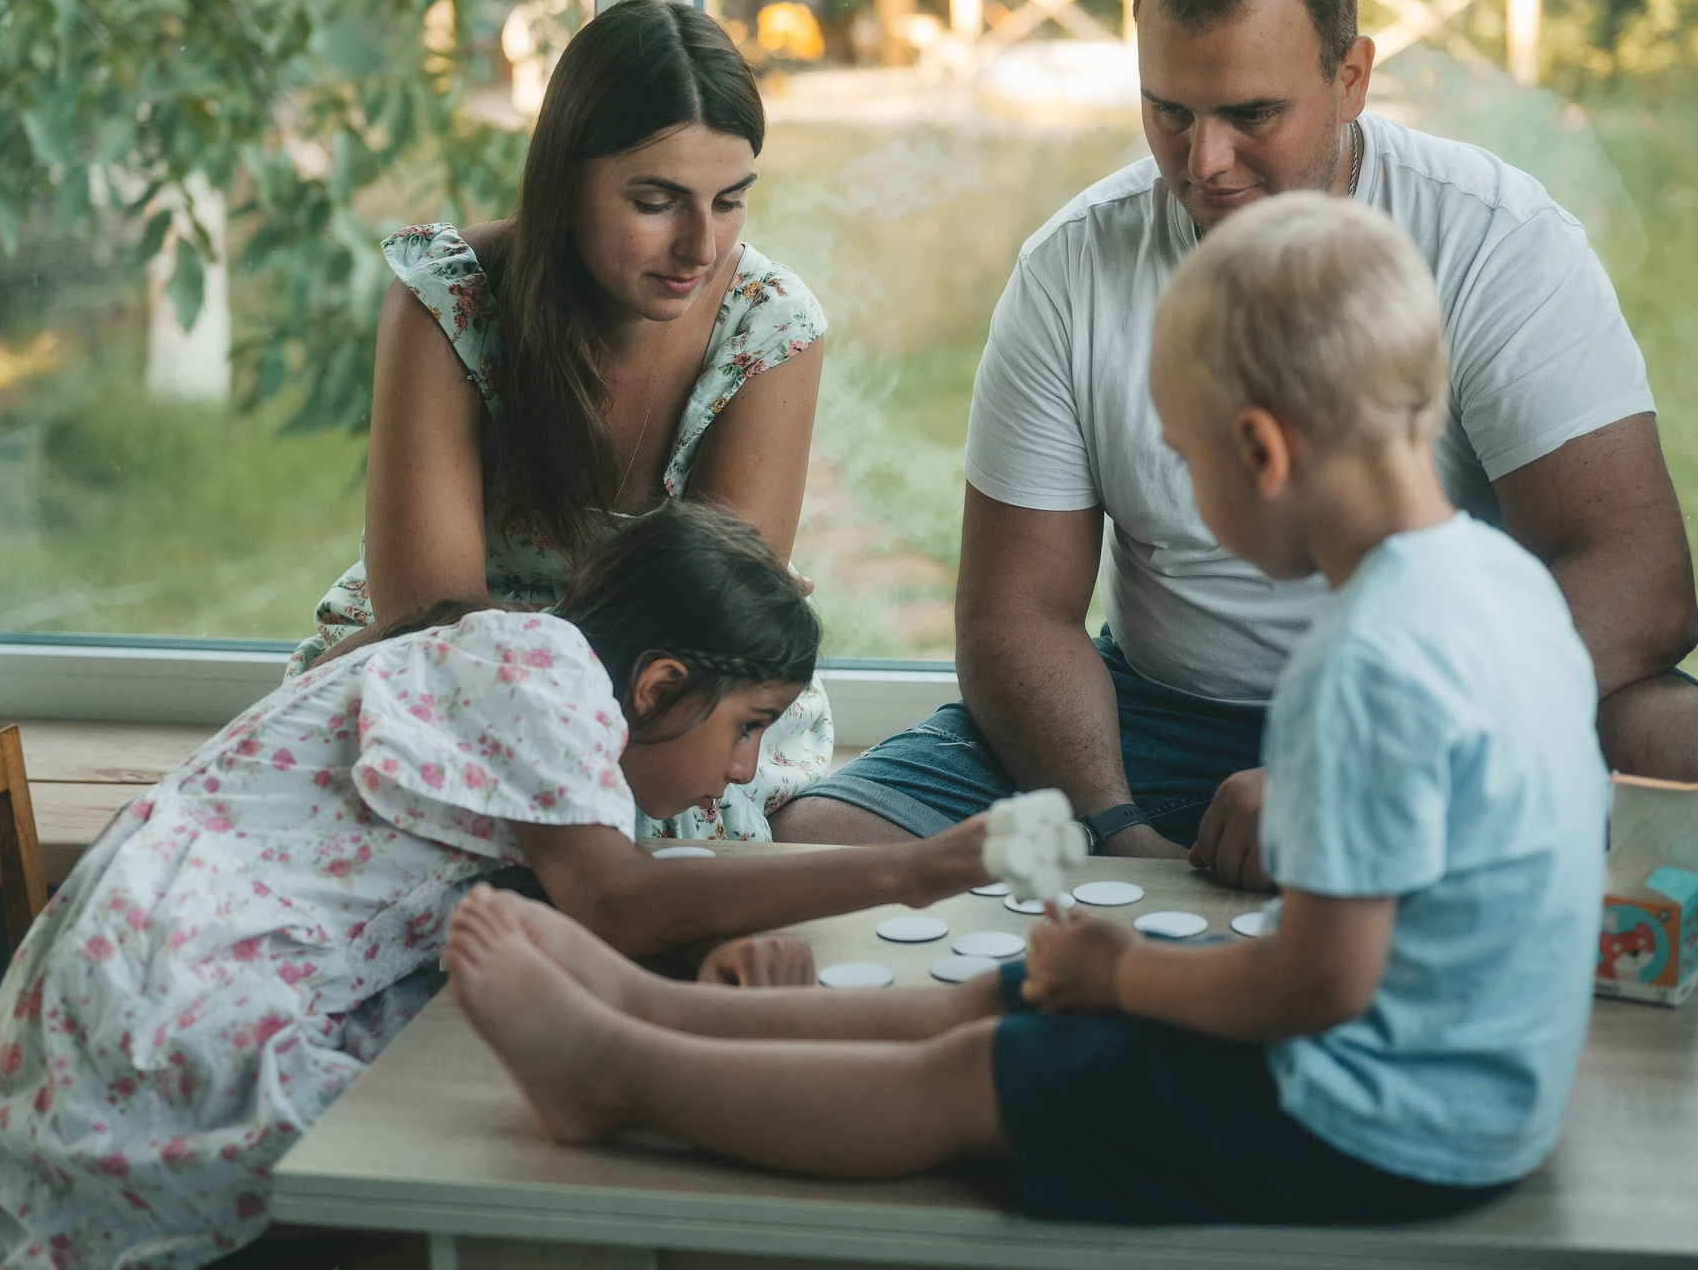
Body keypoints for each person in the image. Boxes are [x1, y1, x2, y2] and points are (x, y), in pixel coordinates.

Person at [443, 195, 1610, 1223]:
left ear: (1260, 449)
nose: (1187, 490)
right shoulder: (1498, 583)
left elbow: (1317, 983)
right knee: (1006, 993)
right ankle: (653, 1005)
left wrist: (1128, 975)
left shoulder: (1364, 658)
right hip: (1481, 1088)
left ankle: (616, 1073)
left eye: (1185, 459)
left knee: (976, 1074)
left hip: (1379, 1127)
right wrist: (1107, 971)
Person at [777, 0, 1698, 874]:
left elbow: (1642, 581)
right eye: (1168, 111)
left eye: (1251, 113)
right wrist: (1116, 828)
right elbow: (1012, 613)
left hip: (1436, 700)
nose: (1203, 161)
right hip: (1149, 722)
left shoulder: (1496, 237)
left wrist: (1361, 762)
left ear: (1352, 76)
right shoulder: (1071, 267)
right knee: (819, 842)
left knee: (1676, 755)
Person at [0, 503, 991, 1270]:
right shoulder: (544, 672)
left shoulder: (509, 671)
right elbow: (614, 900)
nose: (747, 768)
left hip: (121, 996)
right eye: (747, 726)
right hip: (169, 1034)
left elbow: (589, 906)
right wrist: (916, 864)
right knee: (565, 1160)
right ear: (660, 683)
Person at [292, 0, 835, 844]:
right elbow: (433, 624)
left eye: (730, 200)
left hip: (665, 708)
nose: (701, 245)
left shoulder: (770, 329)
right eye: (657, 201)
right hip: (451, 682)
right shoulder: (451, 300)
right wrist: (644, 615)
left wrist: (675, 623)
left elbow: (706, 649)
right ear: (566, 181)